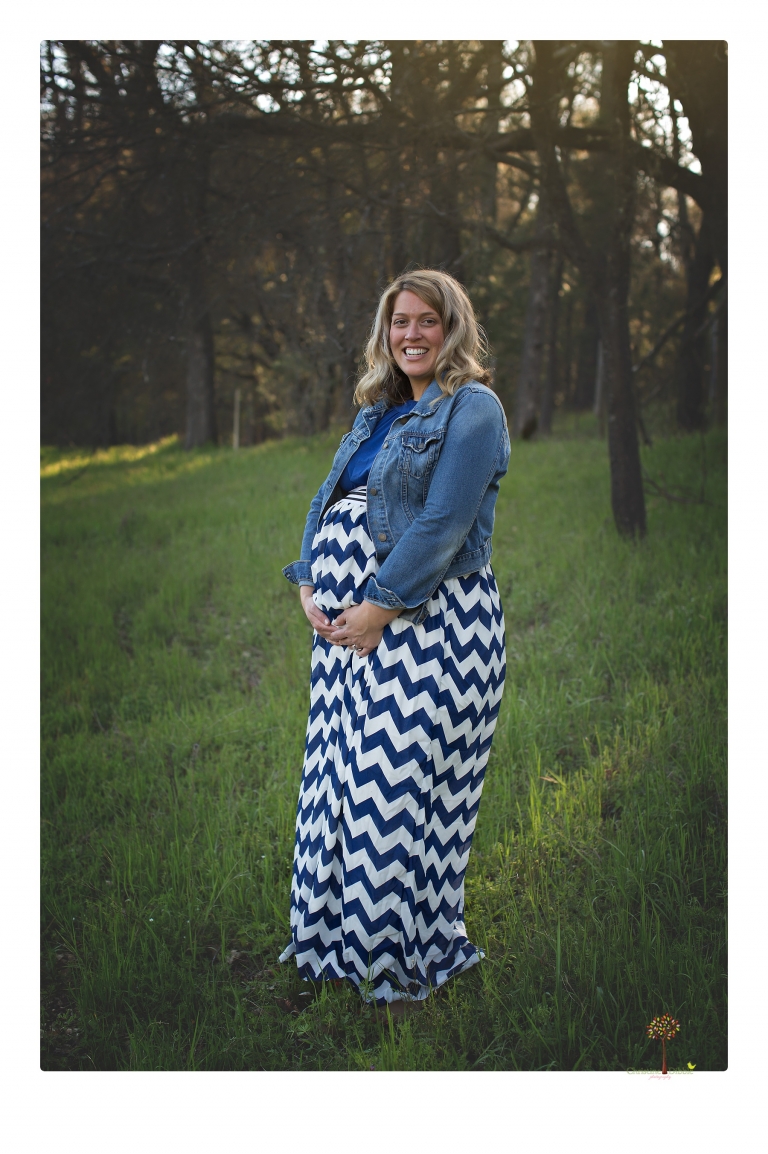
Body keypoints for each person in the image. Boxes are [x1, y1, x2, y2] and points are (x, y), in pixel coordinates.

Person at [280, 269, 510, 1013]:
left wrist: (377, 607)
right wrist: (310, 582)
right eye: (398, 321)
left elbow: (443, 524)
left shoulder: (473, 409)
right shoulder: (376, 411)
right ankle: (332, 947)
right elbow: (328, 501)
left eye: (427, 321)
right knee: (339, 785)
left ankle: (397, 960)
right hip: (345, 633)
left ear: (453, 329)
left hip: (429, 629)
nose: (410, 334)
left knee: (400, 798)